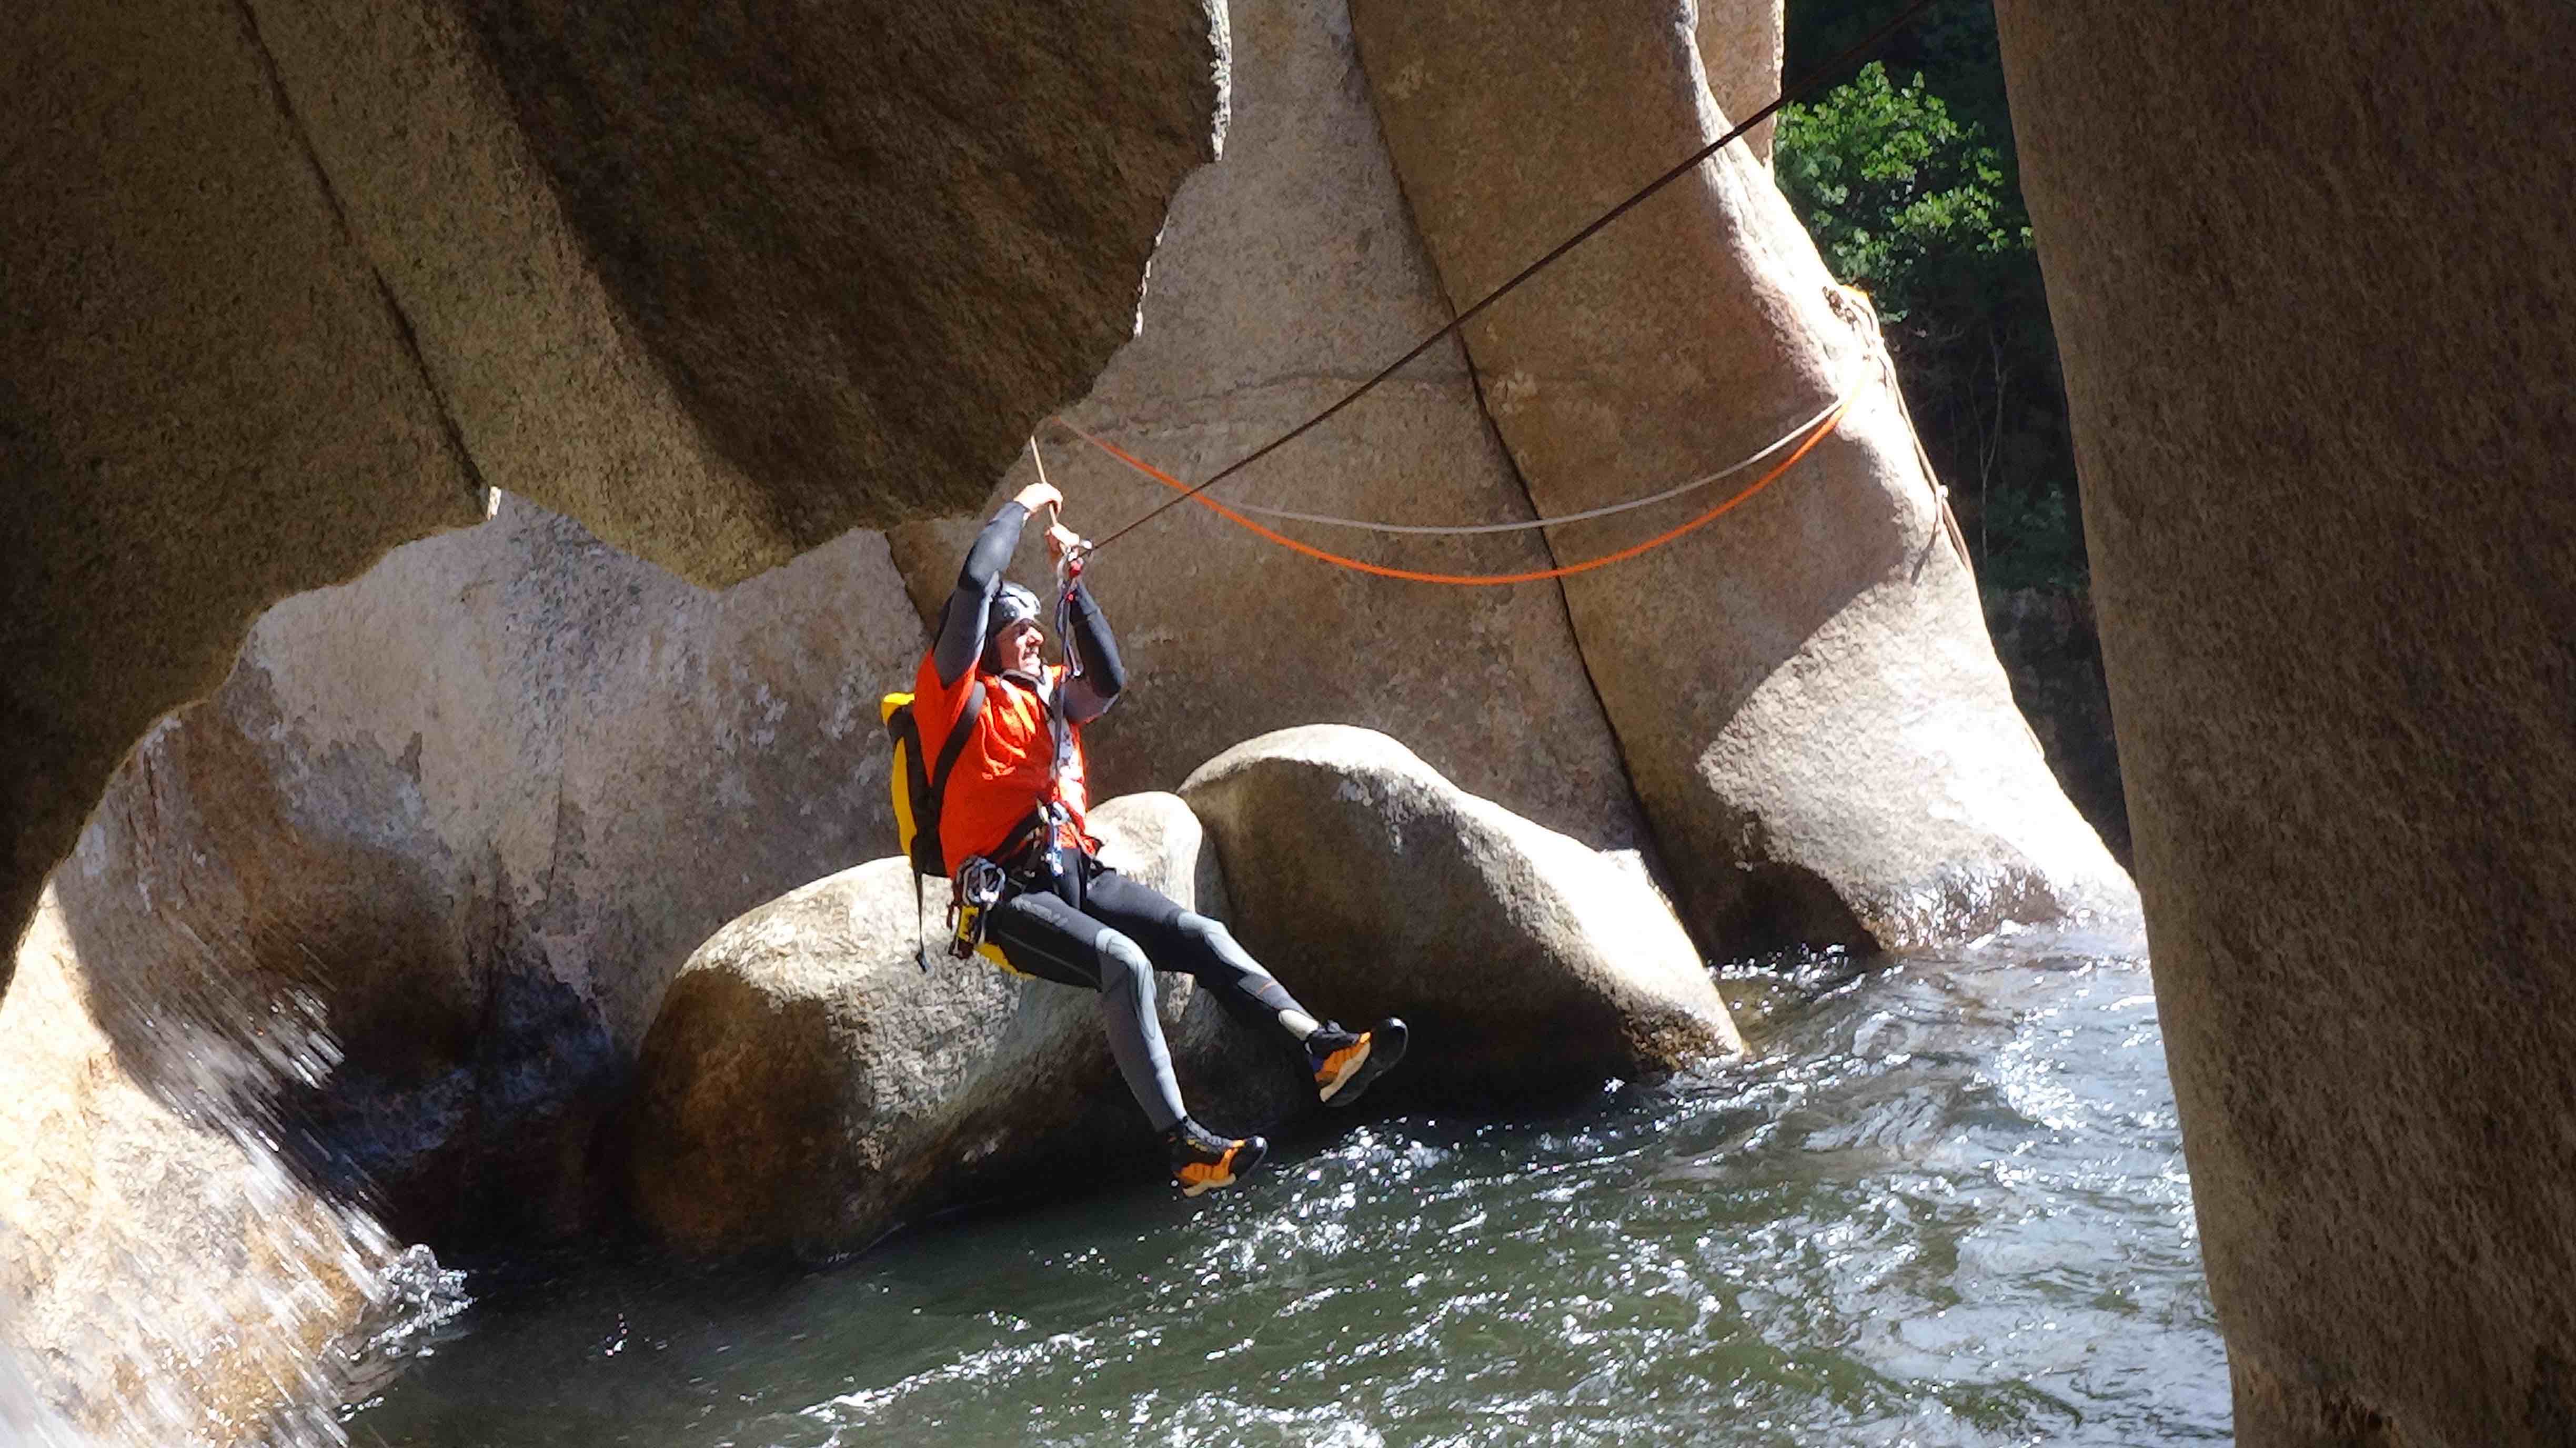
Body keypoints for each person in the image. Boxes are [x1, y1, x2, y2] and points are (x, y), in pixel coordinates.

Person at [910, 478, 1406, 1195]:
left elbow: (1106, 679)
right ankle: (1182, 1147)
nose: (1031, 638)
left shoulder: (1051, 697)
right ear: (984, 641)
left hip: (1074, 869)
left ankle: (1319, 1049)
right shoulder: (952, 692)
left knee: (1198, 935)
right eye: (1018, 629)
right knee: (1125, 962)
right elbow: (976, 580)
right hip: (1006, 893)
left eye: (1035, 630)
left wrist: (1072, 588)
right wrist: (1021, 506)